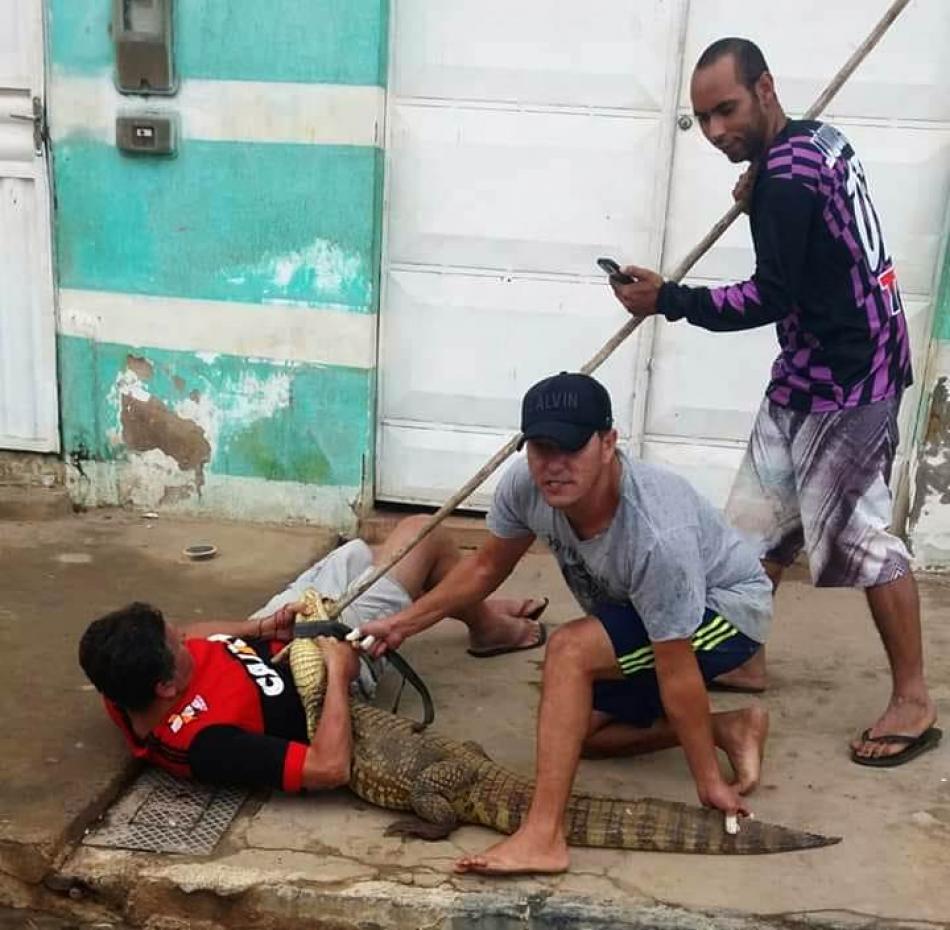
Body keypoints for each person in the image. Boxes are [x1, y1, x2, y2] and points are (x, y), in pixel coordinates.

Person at [608, 37, 938, 768]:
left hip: (851, 379)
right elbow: (808, 205)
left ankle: (913, 699)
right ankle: (745, 655)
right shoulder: (815, 139)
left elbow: (768, 295)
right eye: (703, 120)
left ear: (765, 88)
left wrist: (669, 300)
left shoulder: (785, 180)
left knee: (858, 541)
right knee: (751, 534)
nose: (718, 130)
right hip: (807, 369)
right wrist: (762, 174)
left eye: (727, 110)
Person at [351, 371, 772, 875]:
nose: (554, 466)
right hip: (642, 611)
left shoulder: (659, 534)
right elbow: (486, 566)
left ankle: (543, 836)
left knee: (570, 652)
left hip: (725, 611)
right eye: (541, 448)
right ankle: (731, 727)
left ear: (609, 443)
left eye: (571, 448)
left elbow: (675, 666)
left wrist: (707, 781)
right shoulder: (526, 486)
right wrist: (403, 623)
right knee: (581, 736)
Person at [78, 520, 547, 791]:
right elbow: (328, 768)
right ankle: (485, 626)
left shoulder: (120, 681)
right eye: (175, 642)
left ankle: (464, 603)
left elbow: (201, 636)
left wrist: (260, 627)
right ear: (165, 687)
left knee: (367, 556)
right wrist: (341, 676)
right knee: (423, 537)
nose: (185, 636)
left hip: (277, 629)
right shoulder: (207, 745)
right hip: (320, 671)